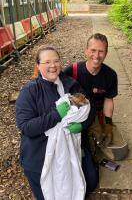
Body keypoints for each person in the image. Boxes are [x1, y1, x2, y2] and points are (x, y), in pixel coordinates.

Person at [16, 45, 97, 200]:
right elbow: (26, 127)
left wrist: (82, 126)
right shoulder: (29, 91)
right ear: (38, 66)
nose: (52, 66)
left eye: (56, 61)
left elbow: (89, 108)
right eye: (46, 62)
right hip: (40, 150)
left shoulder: (70, 84)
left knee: (91, 183)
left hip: (69, 144)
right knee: (49, 193)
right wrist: (56, 115)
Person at [64, 33, 118, 153]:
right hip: (75, 115)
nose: (97, 56)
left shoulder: (110, 75)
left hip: (95, 115)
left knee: (102, 144)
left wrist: (108, 123)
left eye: (101, 51)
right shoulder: (71, 71)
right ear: (86, 51)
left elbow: (109, 100)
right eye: (93, 50)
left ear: (106, 53)